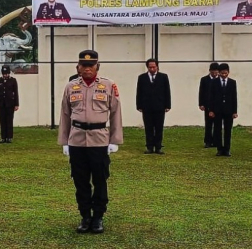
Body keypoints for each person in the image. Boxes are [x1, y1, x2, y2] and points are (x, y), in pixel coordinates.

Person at [59, 50, 123, 234]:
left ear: (97, 67)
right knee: (80, 180)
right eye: (84, 66)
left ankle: (98, 217)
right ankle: (85, 216)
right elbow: (65, 114)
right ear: (78, 67)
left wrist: (114, 139)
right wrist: (65, 141)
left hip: (99, 139)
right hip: (77, 139)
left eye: (91, 65)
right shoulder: (71, 87)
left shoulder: (108, 85)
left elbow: (116, 112)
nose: (87, 69)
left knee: (100, 179)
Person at [136, 58, 171, 154]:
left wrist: (168, 105)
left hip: (160, 106)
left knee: (159, 127)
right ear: (147, 67)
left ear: (157, 67)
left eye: (153, 67)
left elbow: (167, 92)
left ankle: (158, 147)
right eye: (150, 67)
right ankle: (149, 147)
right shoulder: (142, 78)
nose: (152, 69)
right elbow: (139, 92)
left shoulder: (163, 77)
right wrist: (139, 105)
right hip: (146, 107)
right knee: (148, 127)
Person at [207, 63, 238, 157]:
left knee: (228, 130)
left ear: (228, 72)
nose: (224, 75)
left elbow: (234, 97)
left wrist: (235, 111)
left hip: (229, 110)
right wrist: (211, 110)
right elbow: (211, 97)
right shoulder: (214, 82)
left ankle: (227, 149)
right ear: (219, 73)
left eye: (226, 73)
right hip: (217, 110)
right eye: (222, 73)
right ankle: (219, 149)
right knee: (217, 130)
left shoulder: (232, 82)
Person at [198, 62, 220, 148]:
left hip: (217, 106)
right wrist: (201, 104)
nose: (214, 74)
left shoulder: (219, 80)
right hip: (207, 105)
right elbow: (201, 92)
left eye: (216, 72)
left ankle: (216, 141)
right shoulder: (204, 80)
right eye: (213, 72)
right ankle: (207, 141)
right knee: (208, 124)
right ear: (210, 71)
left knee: (217, 124)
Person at [0, 65, 19, 143]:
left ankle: (9, 137)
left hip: (10, 104)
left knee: (9, 120)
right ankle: (3, 137)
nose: (5, 75)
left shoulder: (13, 81)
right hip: (1, 104)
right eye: (4, 73)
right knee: (2, 120)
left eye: (6, 73)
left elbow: (15, 92)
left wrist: (16, 104)